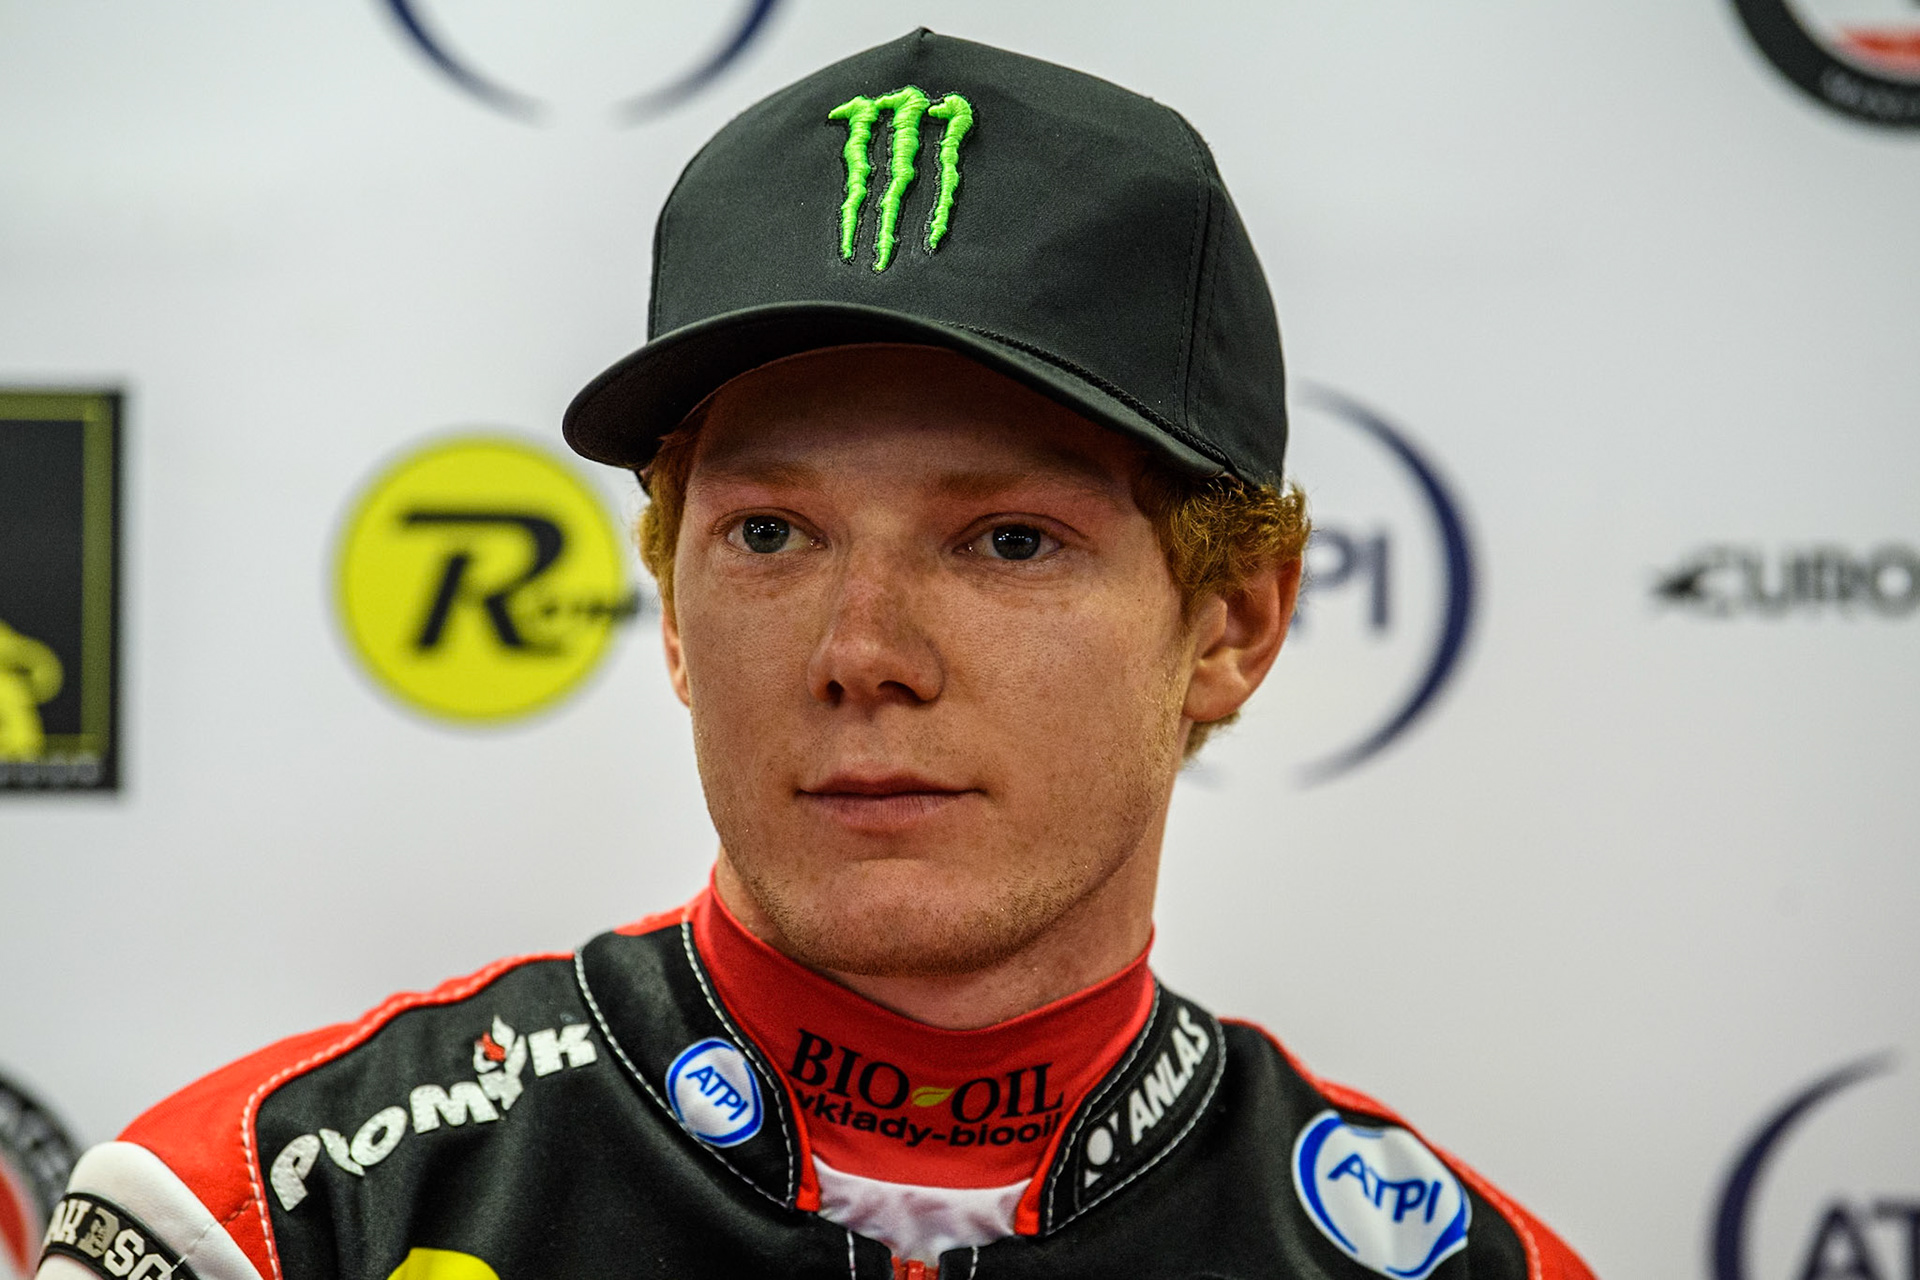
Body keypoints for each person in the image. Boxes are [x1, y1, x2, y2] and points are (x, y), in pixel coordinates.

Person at [37, 30, 1594, 1280]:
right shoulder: (263, 1219)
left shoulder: (1464, 1266)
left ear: (1233, 621)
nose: (863, 654)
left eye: (1007, 541)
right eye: (773, 535)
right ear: (671, 604)